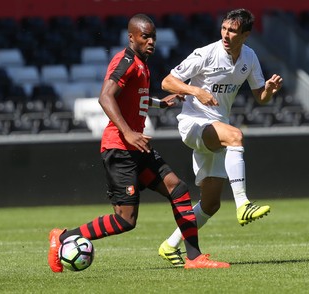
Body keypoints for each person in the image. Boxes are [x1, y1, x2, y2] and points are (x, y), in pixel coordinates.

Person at [48, 13, 229, 272]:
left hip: (137, 147)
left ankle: (194, 257)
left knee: (178, 189)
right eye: (145, 36)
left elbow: (133, 98)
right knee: (125, 220)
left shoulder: (142, 65)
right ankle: (63, 237)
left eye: (153, 36)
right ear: (131, 37)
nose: (151, 41)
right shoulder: (125, 61)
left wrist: (159, 102)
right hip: (120, 147)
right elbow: (106, 97)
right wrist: (129, 132)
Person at [158, 8, 283, 266]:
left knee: (210, 204)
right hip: (193, 123)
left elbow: (260, 97)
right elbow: (167, 82)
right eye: (224, 28)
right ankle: (243, 204)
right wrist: (196, 91)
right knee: (235, 136)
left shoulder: (249, 57)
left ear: (245, 35)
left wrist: (269, 90)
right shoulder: (205, 54)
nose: (226, 34)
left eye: (233, 31)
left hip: (216, 127)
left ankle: (169, 245)